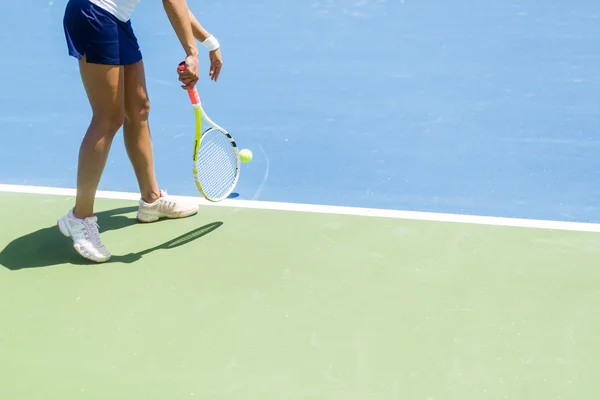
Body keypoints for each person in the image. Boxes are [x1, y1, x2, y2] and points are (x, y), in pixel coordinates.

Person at [58, 0, 223, 263]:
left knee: (139, 110)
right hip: (94, 13)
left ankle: (151, 200)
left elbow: (176, 4)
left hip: (117, 19)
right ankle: (79, 218)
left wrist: (209, 42)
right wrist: (192, 52)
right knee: (108, 119)